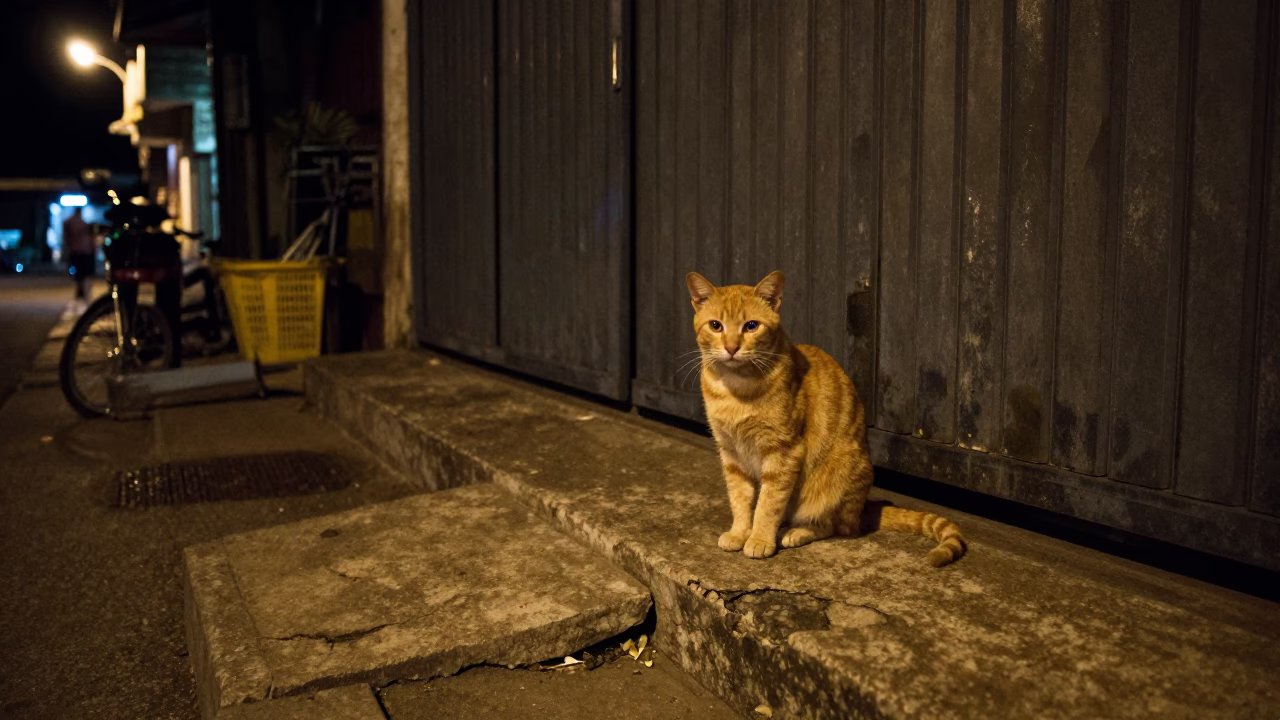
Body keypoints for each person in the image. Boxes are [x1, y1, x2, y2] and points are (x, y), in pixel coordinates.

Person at [62, 207, 97, 305]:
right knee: (85, 274)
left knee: (79, 274)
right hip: (84, 251)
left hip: (76, 251)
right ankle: (83, 292)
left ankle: (80, 292)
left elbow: (66, 238)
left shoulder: (69, 222)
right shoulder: (84, 224)